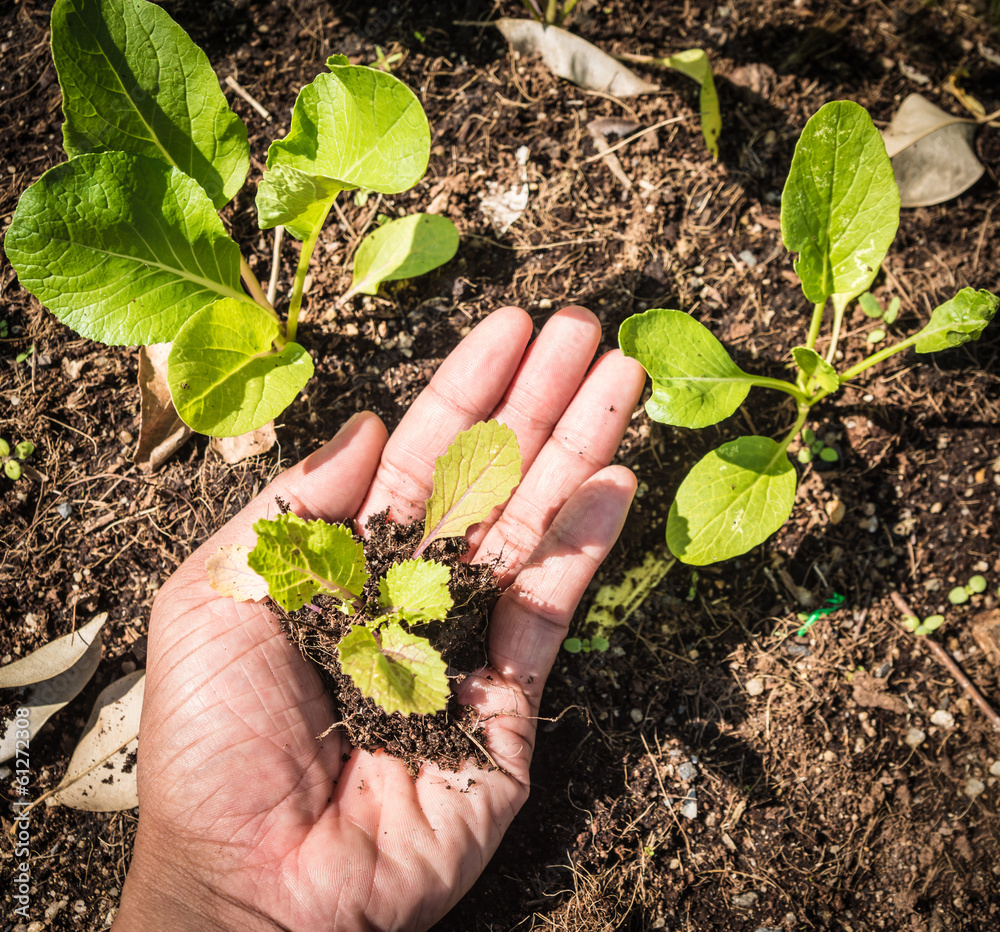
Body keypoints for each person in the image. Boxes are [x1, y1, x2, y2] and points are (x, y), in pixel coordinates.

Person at [111, 306, 646, 931]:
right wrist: (210, 891)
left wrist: (212, 900)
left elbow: (410, 603)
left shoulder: (403, 597)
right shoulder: (345, 626)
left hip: (405, 605)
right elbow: (375, 646)